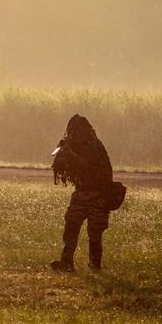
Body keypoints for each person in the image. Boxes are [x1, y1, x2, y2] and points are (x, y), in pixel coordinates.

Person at [50, 114, 113, 272]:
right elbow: (62, 169)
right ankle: (66, 262)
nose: (72, 134)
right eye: (71, 130)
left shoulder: (94, 146)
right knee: (71, 225)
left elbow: (86, 166)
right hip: (82, 192)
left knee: (94, 232)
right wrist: (61, 156)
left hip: (99, 194)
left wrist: (70, 154)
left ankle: (95, 267)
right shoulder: (73, 145)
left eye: (75, 130)